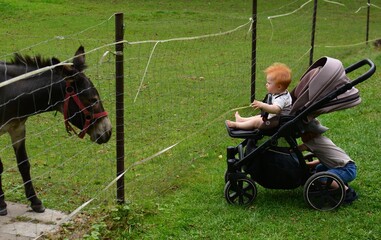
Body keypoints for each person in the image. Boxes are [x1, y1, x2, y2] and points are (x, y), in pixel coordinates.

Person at [299, 129, 358, 204]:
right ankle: (331, 185)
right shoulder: (323, 140)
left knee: (323, 177)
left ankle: (348, 192)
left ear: (309, 135)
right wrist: (307, 165)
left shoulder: (312, 142)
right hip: (346, 165)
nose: (301, 139)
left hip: (346, 170)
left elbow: (297, 149)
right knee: (319, 168)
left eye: (301, 136)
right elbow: (322, 160)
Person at [226, 63, 292, 130]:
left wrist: (262, 105)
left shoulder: (281, 98)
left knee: (256, 122)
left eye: (269, 83)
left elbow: (276, 109)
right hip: (274, 118)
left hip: (277, 122)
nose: (266, 84)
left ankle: (237, 125)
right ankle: (242, 120)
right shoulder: (282, 92)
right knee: (259, 116)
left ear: (279, 87)